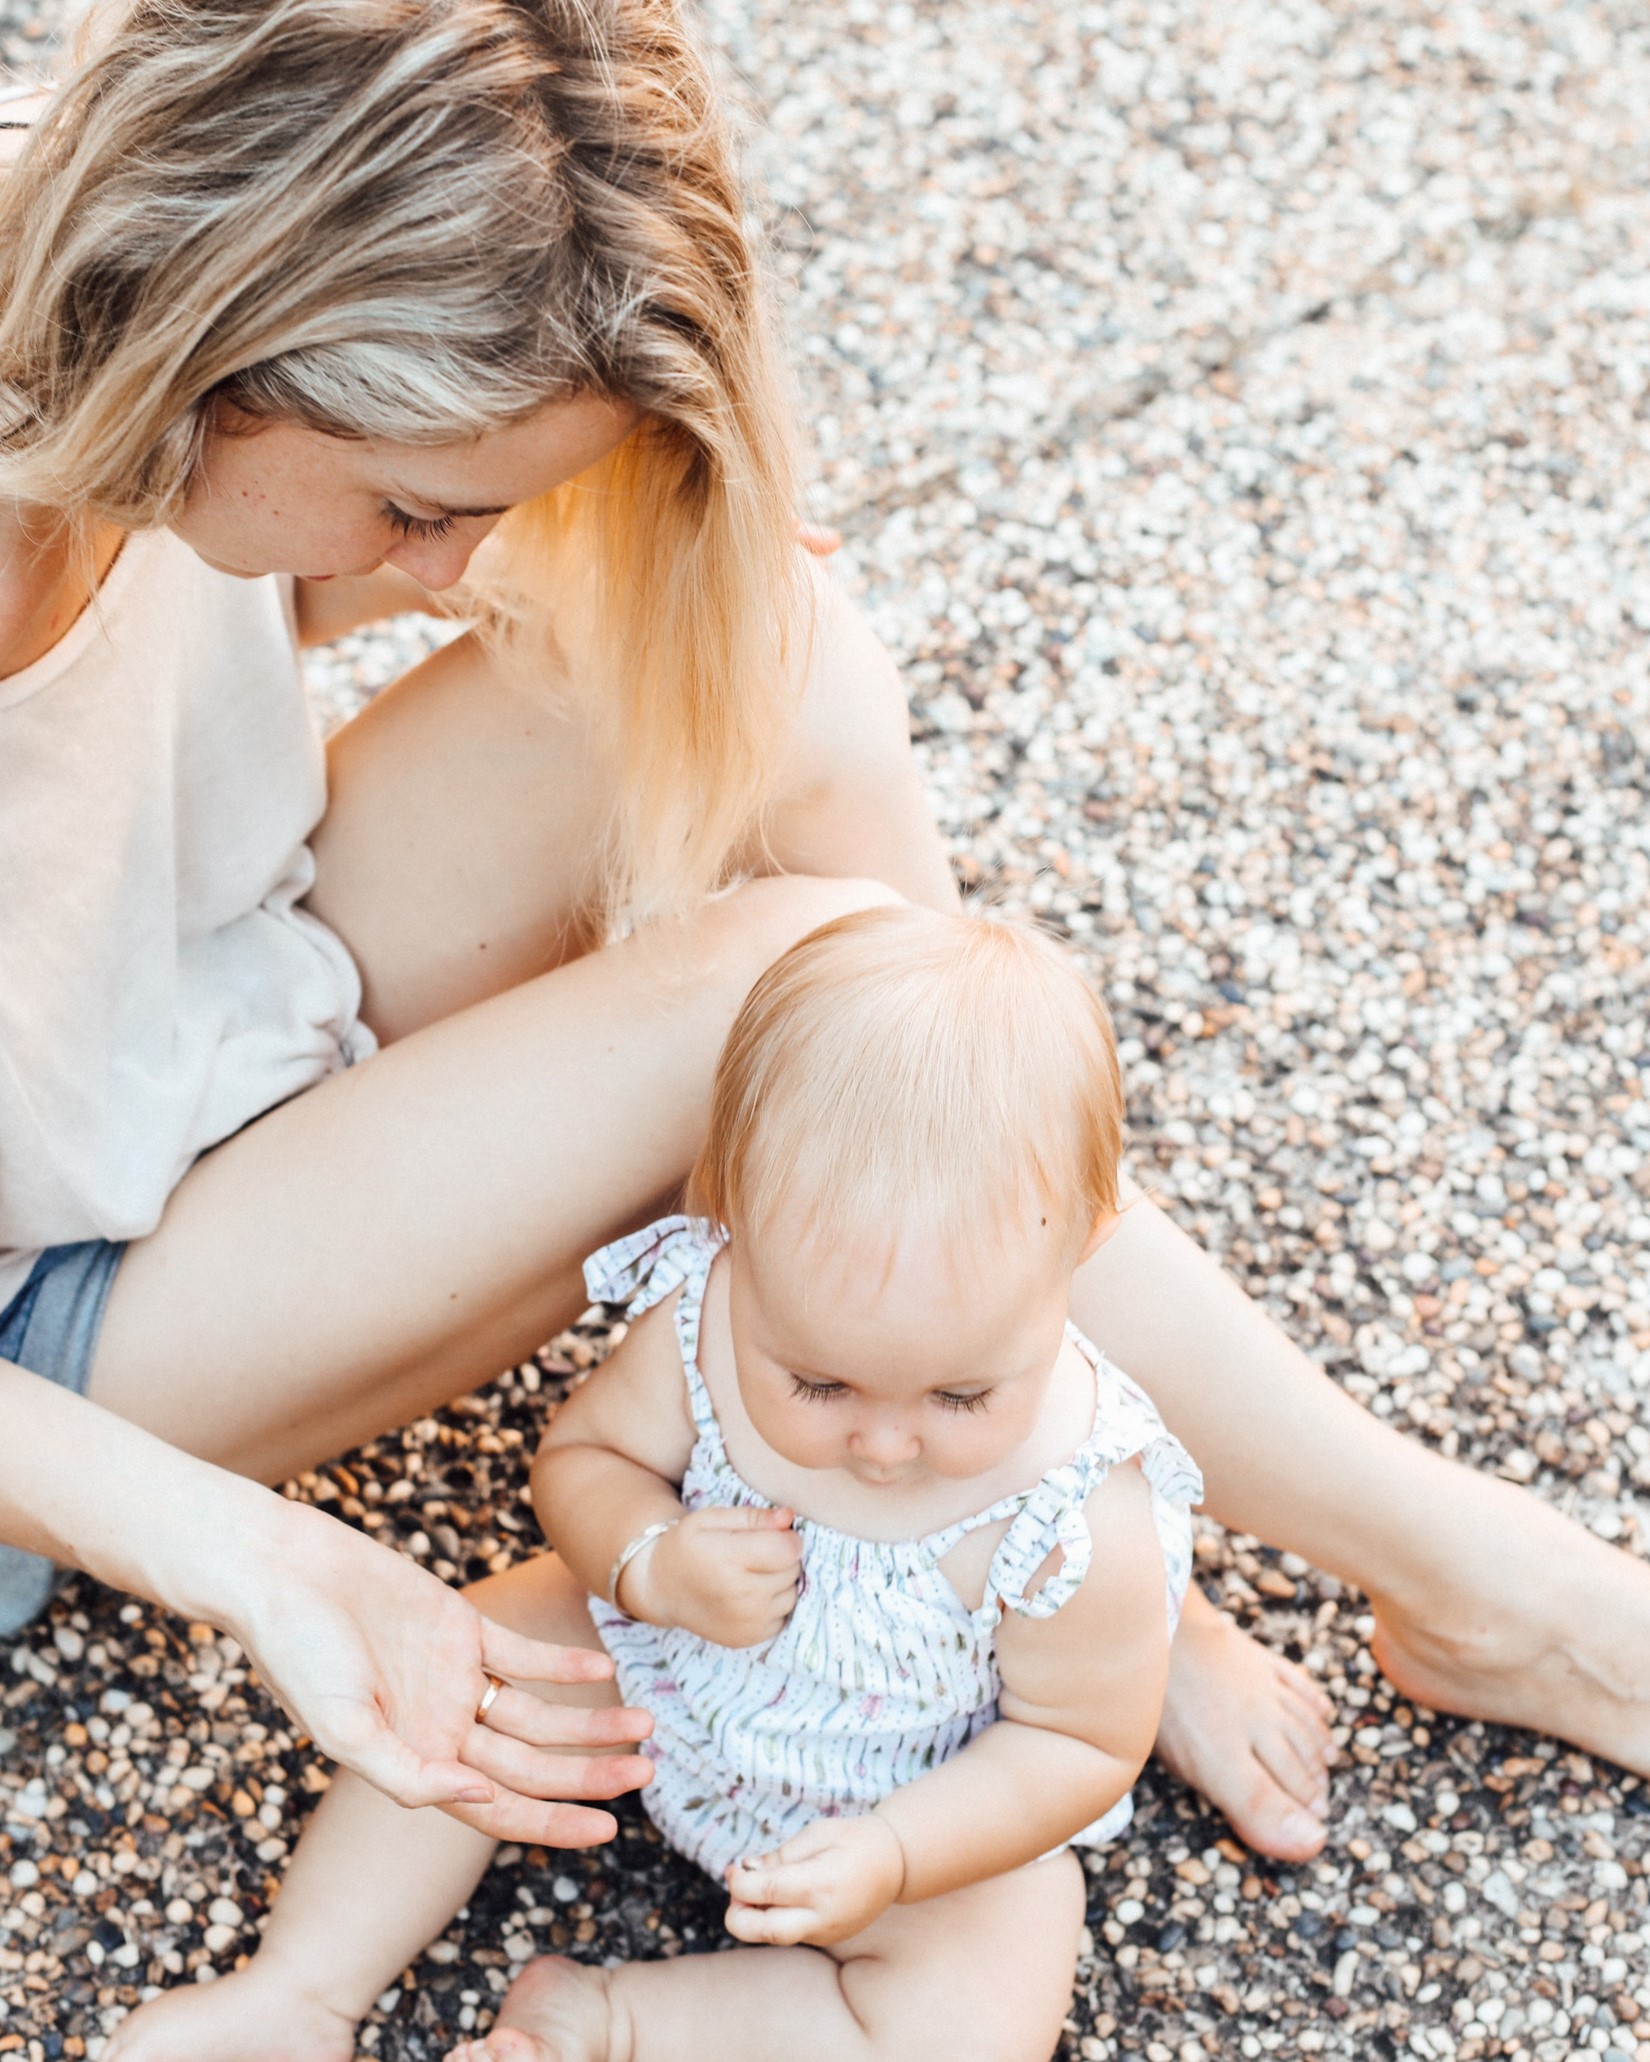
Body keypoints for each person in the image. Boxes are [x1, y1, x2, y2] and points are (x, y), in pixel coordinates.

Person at [1, 0, 1645, 1897]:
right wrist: (261, 1556)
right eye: (418, 508)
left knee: (773, 652)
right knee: (788, 1002)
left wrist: (642, 536)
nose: (441, 571)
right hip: (57, 1329)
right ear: (217, 352)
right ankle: (1460, 1583)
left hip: (173, 999)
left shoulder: (102, 246)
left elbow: (215, 612)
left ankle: (1019, 1495)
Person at [108, 906, 1205, 2062]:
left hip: (917, 1801)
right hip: (659, 1677)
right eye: (820, 1383)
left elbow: (1075, 1747)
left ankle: (614, 2024)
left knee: (983, 2002)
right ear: (732, 1220)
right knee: (471, 1653)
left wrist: (896, 1852)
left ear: (1082, 1243)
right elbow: (586, 1460)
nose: (885, 1446)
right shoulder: (711, 1314)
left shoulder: (1076, 1518)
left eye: (961, 1397)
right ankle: (299, 1988)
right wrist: (646, 1559)